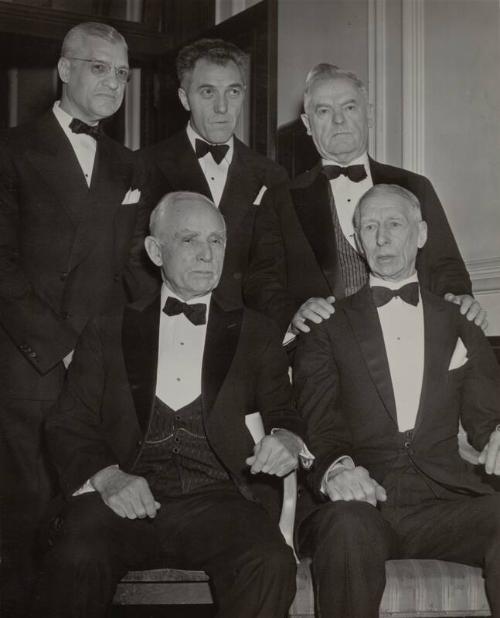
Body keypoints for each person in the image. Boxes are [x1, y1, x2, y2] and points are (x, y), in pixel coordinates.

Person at [34, 191, 305, 618]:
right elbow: (69, 422)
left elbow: (285, 414)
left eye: (216, 241)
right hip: (123, 497)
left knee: (268, 561)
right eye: (189, 240)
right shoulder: (108, 329)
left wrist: (286, 439)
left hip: (220, 501)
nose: (205, 254)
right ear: (155, 251)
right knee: (75, 554)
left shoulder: (255, 331)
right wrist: (108, 478)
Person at [293, 183, 500, 618]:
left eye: (394, 224)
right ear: (356, 241)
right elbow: (317, 421)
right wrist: (337, 469)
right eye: (369, 227)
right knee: (348, 525)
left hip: (446, 501)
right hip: (361, 501)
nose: (382, 238)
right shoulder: (327, 325)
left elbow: (485, 421)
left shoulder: (460, 320)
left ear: (421, 234)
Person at [0, 22, 150, 617]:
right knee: (27, 526)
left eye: (121, 73)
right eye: (98, 68)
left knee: (89, 529)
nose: (113, 83)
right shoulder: (11, 150)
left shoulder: (130, 164)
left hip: (101, 375)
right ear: (64, 70)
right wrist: (62, 345)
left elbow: (139, 268)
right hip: (30, 371)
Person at [244, 63, 486, 337]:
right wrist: (293, 314)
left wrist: (458, 296)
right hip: (322, 354)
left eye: (349, 108)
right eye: (324, 111)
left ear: (369, 113)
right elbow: (261, 283)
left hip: (409, 341)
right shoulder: (280, 199)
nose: (339, 121)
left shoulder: (415, 185)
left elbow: (446, 265)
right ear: (308, 124)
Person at [140, 38, 288, 305]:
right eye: (208, 92)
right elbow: (133, 261)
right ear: (185, 99)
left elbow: (272, 268)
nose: (222, 108)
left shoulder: (272, 175)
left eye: (233, 92)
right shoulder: (145, 166)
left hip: (244, 332)